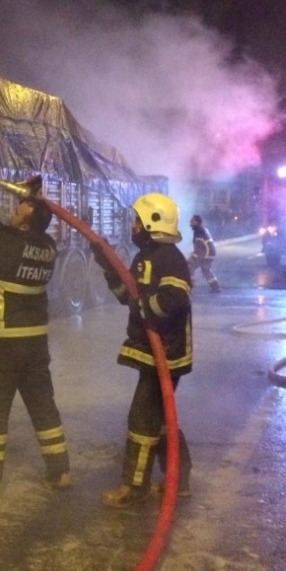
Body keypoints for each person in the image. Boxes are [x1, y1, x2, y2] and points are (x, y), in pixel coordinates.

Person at [0, 167, 70, 501]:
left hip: (4, 346)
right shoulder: (47, 247)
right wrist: (33, 195)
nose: (15, 208)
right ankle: (59, 470)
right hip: (35, 346)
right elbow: (38, 219)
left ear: (24, 222)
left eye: (20, 208)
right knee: (43, 406)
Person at [92, 193, 193, 509]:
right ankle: (179, 479)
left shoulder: (170, 258)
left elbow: (176, 298)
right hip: (152, 350)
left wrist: (146, 307)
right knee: (160, 417)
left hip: (165, 352)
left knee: (142, 419)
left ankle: (134, 486)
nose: (133, 226)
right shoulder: (145, 258)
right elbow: (127, 295)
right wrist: (107, 262)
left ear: (152, 223)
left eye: (138, 220)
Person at [188, 214, 221, 292]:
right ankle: (215, 287)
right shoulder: (201, 229)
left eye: (192, 221)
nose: (190, 223)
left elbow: (199, 248)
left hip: (206, 254)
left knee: (190, 267)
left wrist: (192, 258)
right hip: (209, 253)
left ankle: (190, 286)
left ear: (196, 222)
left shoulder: (198, 231)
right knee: (206, 270)